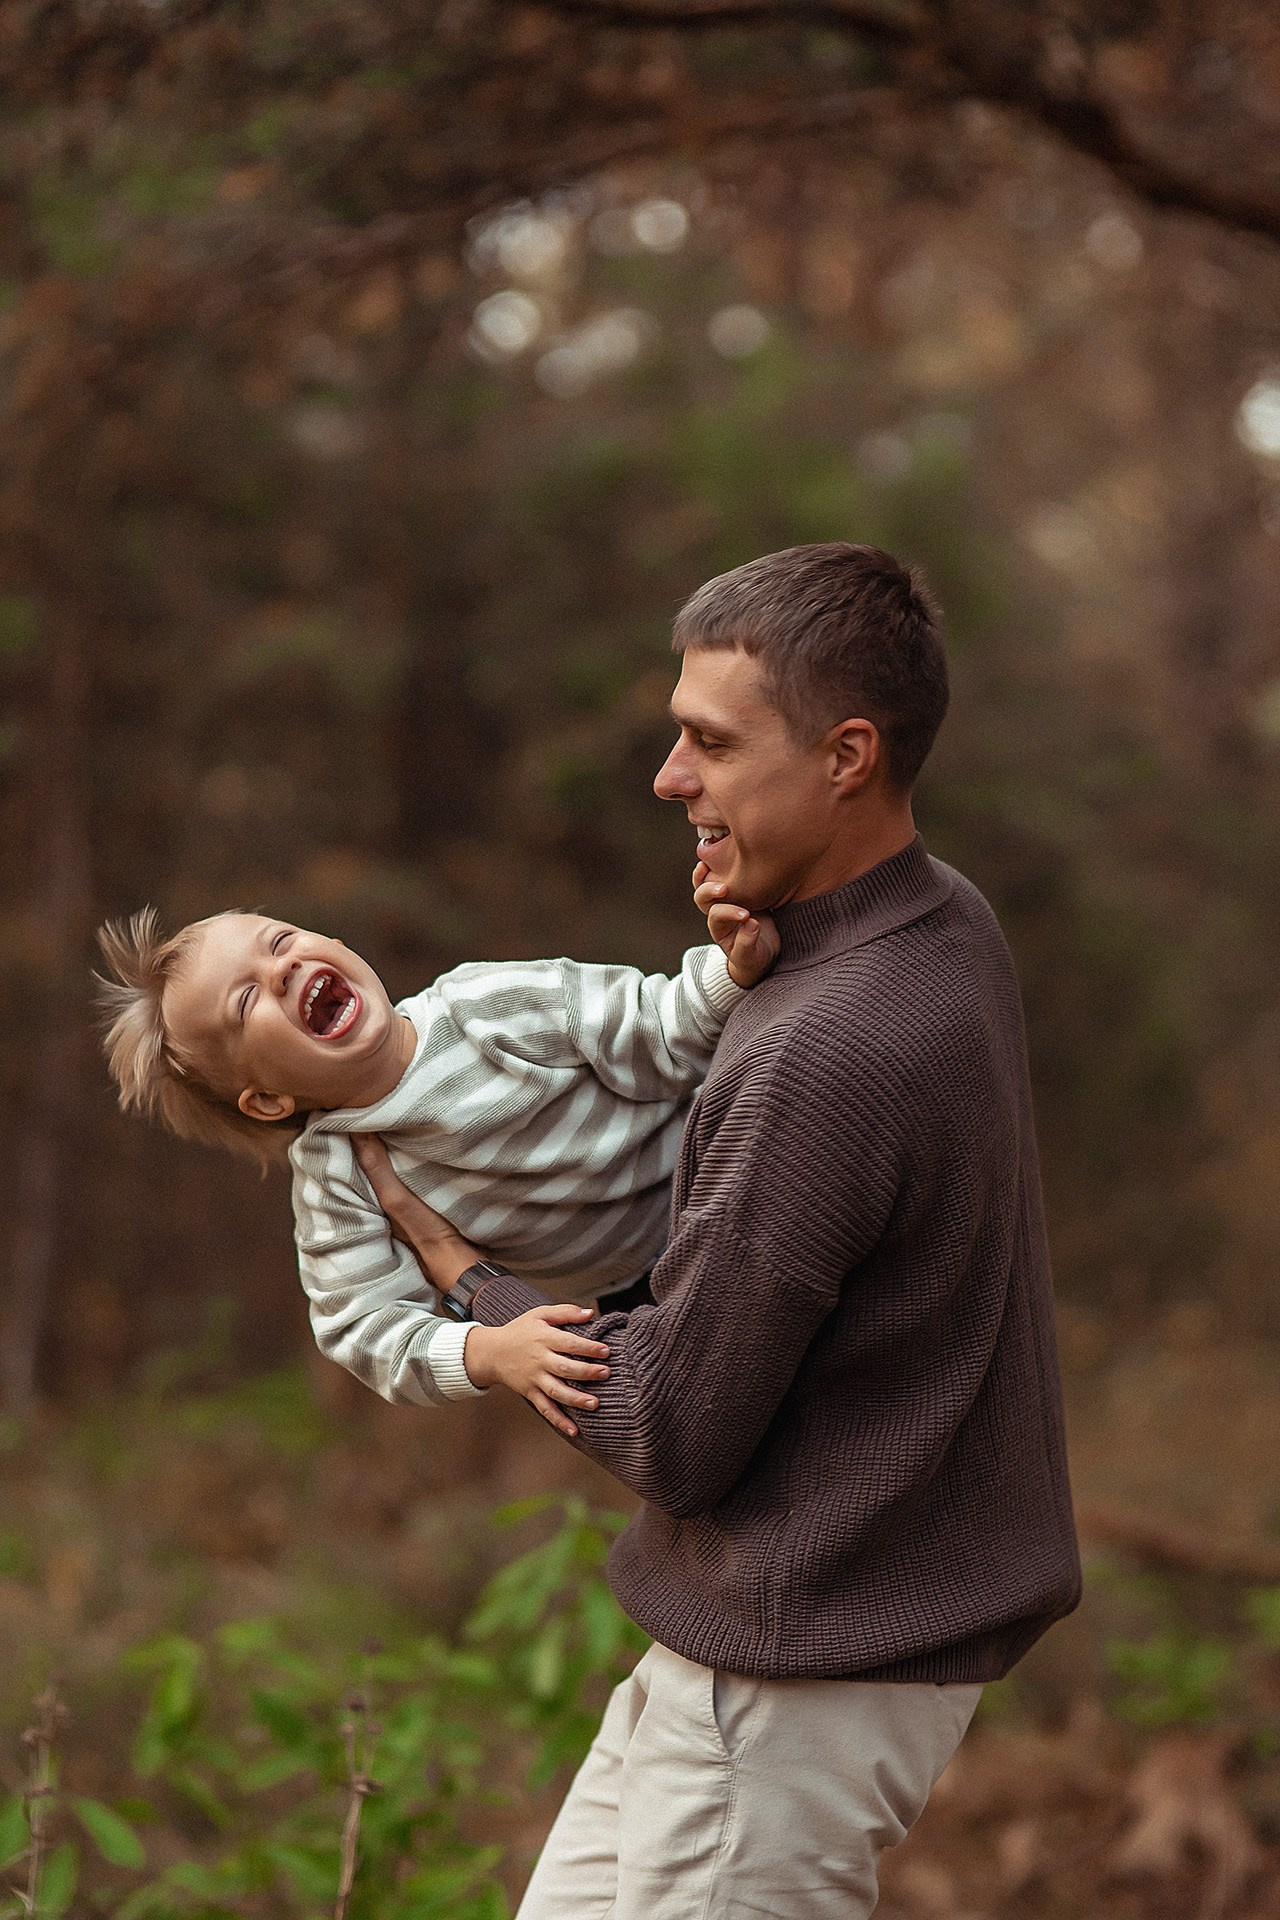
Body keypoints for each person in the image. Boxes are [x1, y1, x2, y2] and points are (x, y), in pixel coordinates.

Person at [358, 541, 1082, 1920]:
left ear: (846, 755)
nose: (668, 778)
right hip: (769, 1647)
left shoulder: (832, 1050)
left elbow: (674, 1433)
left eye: (709, 743)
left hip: (790, 1682)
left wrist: (465, 1281)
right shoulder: (939, 924)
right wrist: (753, 948)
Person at [96, 900, 777, 1428]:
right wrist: (488, 1352)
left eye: (281, 940)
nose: (281, 969)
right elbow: (365, 1328)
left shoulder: (482, 1006)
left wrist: (730, 970)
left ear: (332, 943)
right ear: (270, 1099)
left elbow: (653, 1024)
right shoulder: (340, 1177)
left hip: (724, 1152)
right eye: (245, 1002)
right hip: (641, 1287)